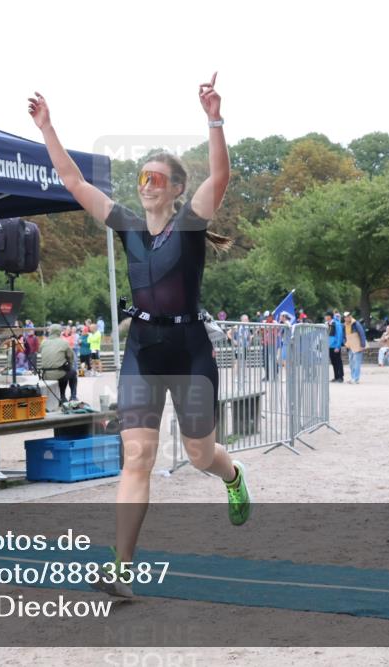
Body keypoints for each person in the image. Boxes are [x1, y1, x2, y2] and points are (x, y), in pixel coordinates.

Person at [29, 74, 247, 599]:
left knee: (200, 455)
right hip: (143, 352)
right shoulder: (125, 224)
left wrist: (214, 117)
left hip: (190, 350)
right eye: (142, 177)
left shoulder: (192, 223)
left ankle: (233, 474)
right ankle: (121, 567)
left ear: (174, 189)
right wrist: (48, 129)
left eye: (157, 178)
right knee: (138, 458)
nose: (147, 184)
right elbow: (75, 182)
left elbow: (220, 175)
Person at [39, 324, 78, 403]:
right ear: (59, 332)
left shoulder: (43, 342)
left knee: (64, 371)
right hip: (58, 373)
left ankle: (62, 397)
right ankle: (72, 396)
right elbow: (71, 356)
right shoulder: (64, 343)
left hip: (45, 374)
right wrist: (69, 365)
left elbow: (40, 351)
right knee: (72, 372)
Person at [343, 312, 367, 383]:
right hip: (350, 346)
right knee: (351, 363)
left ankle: (356, 379)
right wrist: (345, 343)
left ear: (350, 316)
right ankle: (353, 377)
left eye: (348, 316)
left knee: (357, 362)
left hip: (357, 345)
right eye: (345, 317)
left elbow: (362, 334)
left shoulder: (356, 323)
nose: (347, 318)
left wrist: (363, 345)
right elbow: (344, 336)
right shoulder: (344, 325)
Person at [325, 311, 345, 382]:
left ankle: (340, 377)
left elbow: (339, 335)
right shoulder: (326, 324)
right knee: (333, 362)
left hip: (335, 346)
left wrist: (338, 346)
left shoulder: (336, 324)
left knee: (338, 361)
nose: (325, 317)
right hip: (329, 346)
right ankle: (336, 376)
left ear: (330, 316)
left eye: (326, 316)